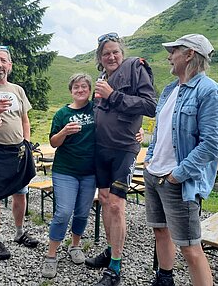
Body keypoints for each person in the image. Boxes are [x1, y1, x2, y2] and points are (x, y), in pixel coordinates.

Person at [143, 34, 218, 286]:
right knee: (160, 231)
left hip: (178, 181)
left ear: (190, 54)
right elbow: (160, 131)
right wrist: (149, 160)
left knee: (190, 247)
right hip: (154, 174)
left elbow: (212, 145)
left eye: (174, 51)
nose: (169, 56)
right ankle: (165, 278)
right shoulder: (171, 89)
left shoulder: (210, 91)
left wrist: (177, 175)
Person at [85, 32, 157, 286]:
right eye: (106, 53)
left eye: (115, 51)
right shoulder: (101, 78)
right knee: (104, 200)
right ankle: (109, 249)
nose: (111, 56)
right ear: (100, 58)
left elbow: (151, 105)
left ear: (122, 53)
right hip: (100, 149)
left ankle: (115, 267)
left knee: (116, 204)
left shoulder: (136, 68)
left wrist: (113, 95)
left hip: (124, 149)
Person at [0, 45, 39, 261]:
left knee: (21, 194)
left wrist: (27, 144)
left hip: (19, 150)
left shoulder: (18, 90)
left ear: (10, 66)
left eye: (3, 61)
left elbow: (24, 120)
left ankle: (19, 233)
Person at [41, 73, 97, 278]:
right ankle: (51, 255)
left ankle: (75, 246)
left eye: (84, 87)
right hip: (65, 170)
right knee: (64, 212)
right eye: (76, 87)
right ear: (71, 90)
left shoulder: (96, 109)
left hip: (90, 171)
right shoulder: (62, 114)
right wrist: (64, 131)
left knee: (82, 212)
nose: (80, 90)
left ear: (90, 90)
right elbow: (54, 142)